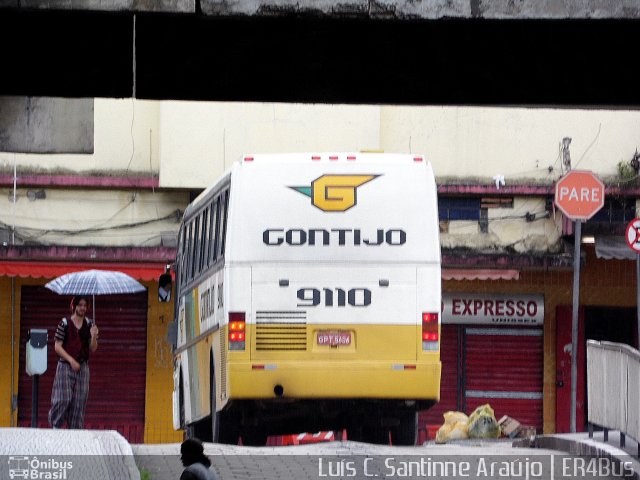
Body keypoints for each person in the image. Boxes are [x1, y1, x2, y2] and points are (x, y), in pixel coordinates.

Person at [48, 295, 99, 429]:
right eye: (79, 305)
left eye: (84, 305)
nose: (82, 308)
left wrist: (94, 336)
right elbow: (57, 346)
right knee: (63, 398)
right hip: (65, 366)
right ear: (74, 306)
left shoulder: (89, 324)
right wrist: (71, 361)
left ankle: (75, 432)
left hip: (83, 367)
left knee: (79, 402)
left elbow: (93, 348)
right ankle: (55, 426)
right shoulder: (64, 323)